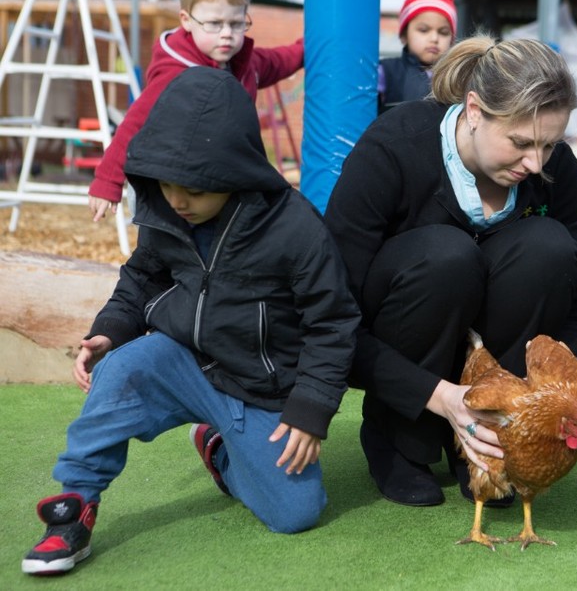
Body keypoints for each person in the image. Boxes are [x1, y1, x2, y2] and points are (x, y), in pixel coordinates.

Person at [21, 67, 360, 576]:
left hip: (259, 391)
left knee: (297, 513)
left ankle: (221, 449)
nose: (179, 200)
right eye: (169, 184)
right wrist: (109, 329)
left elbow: (333, 322)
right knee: (122, 370)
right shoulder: (167, 211)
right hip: (185, 361)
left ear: (235, 172)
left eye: (196, 190)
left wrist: (310, 411)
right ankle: (74, 506)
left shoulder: (295, 228)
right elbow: (140, 278)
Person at [325, 35, 577, 507]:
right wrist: (438, 395)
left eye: (549, 145)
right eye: (520, 142)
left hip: (501, 391)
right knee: (447, 255)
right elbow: (333, 314)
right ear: (474, 109)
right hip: (407, 358)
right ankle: (400, 440)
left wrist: (533, 397)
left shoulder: (557, 172)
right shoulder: (391, 149)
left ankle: (486, 446)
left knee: (547, 247)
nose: (536, 164)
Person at [88, 0, 303, 222]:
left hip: (212, 185)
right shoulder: (176, 74)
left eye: (236, 24)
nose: (227, 34)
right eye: (214, 24)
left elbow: (280, 61)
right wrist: (107, 180)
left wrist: (313, 44)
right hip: (166, 190)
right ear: (186, 20)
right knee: (168, 249)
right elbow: (135, 124)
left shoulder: (245, 64)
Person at [377, 0, 456, 113]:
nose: (434, 38)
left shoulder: (456, 79)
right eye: (424, 30)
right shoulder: (385, 72)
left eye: (443, 32)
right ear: (404, 35)